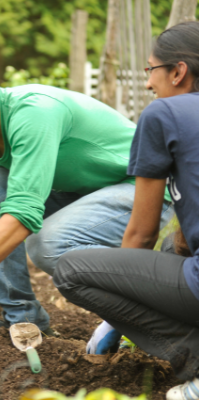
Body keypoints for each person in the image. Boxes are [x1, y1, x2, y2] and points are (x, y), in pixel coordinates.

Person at [0, 49, 173, 336]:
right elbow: (5, 218)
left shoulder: (33, 113)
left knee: (48, 244)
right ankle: (21, 318)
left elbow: (22, 214)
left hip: (141, 189)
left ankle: (145, 312)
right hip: (81, 194)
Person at [53, 21, 199, 400]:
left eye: (151, 71)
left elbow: (142, 233)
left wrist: (115, 319)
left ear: (178, 71)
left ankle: (196, 364)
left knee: (71, 270)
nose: (149, 84)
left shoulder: (164, 114)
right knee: (174, 250)